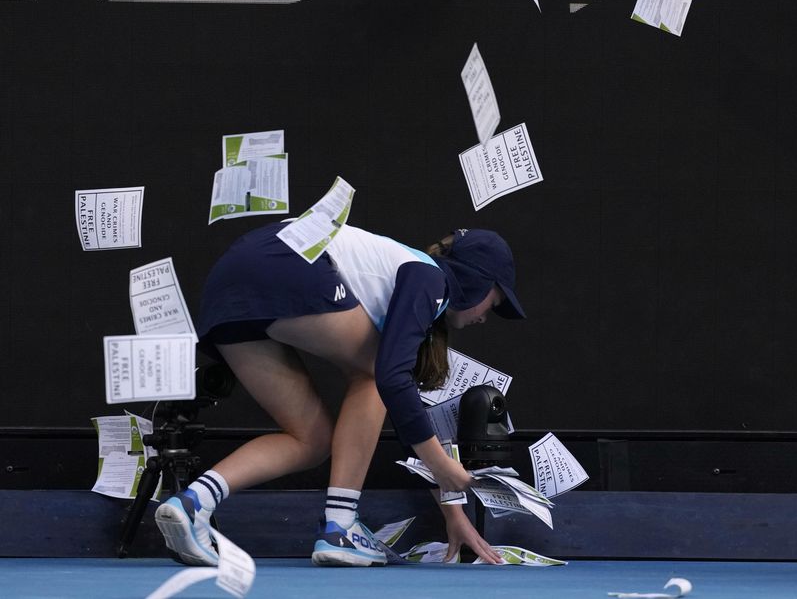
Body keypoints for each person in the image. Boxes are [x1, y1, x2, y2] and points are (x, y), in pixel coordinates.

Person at [155, 222, 524, 567]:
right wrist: (443, 467)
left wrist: (453, 514)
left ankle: (192, 504)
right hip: (285, 260)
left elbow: (406, 411)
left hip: (227, 281)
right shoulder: (430, 276)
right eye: (492, 302)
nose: (485, 317)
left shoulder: (409, 283)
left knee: (311, 439)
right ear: (477, 279)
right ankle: (340, 526)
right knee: (376, 373)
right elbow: (391, 381)